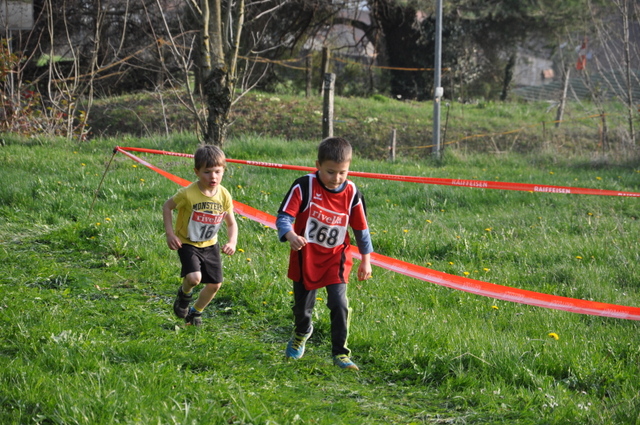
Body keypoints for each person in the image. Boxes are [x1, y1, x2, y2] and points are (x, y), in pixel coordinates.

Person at [276, 137, 373, 370]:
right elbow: (283, 218)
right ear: (318, 165)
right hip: (305, 256)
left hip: (336, 258)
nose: (336, 178)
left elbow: (361, 229)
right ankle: (302, 332)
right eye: (330, 172)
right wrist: (290, 235)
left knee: (339, 304)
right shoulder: (304, 186)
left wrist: (366, 260)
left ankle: (340, 353)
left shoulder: (352, 193)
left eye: (342, 172)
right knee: (302, 309)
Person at [163, 144, 238, 326]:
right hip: (187, 242)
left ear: (224, 170)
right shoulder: (187, 194)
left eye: (218, 172)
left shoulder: (224, 195)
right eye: (207, 172)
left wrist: (232, 242)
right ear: (196, 172)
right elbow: (167, 206)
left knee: (215, 285)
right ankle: (184, 295)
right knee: (194, 278)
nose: (213, 177)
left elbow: (231, 223)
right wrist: (170, 234)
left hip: (210, 244)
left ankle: (195, 312)